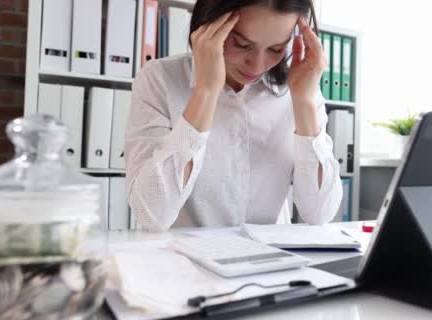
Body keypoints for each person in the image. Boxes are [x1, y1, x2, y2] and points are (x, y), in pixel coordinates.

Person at [125, 0, 343, 231]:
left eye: (276, 49)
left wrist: (305, 102)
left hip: (271, 260)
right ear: (207, 25)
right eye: (241, 44)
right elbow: (152, 214)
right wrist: (206, 92)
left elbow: (320, 213)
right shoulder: (160, 79)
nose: (257, 65)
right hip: (184, 263)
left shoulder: (301, 89)